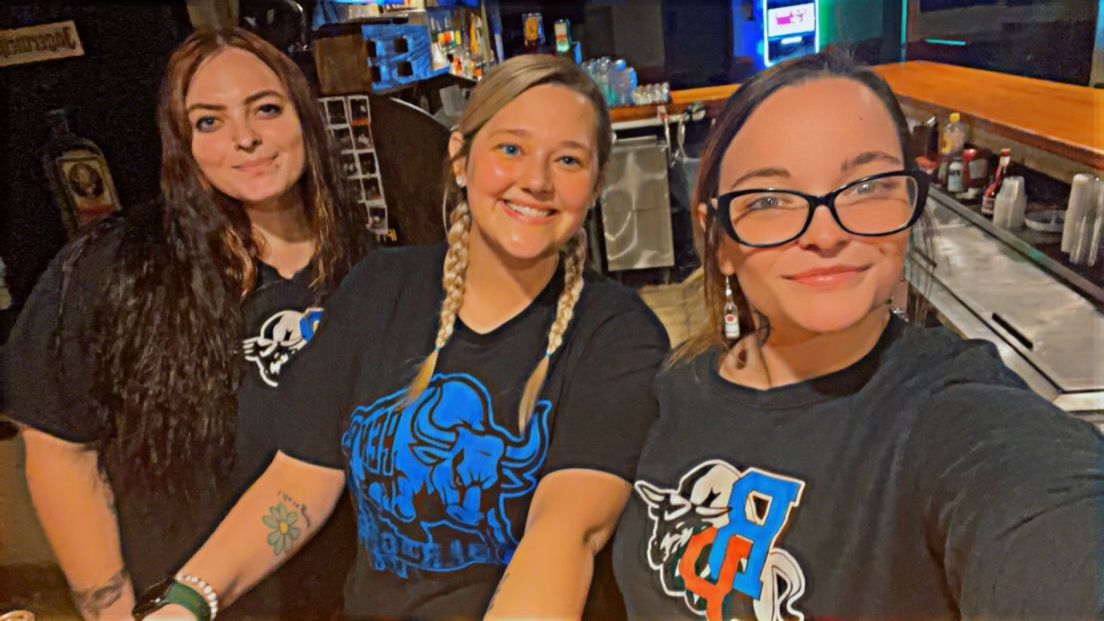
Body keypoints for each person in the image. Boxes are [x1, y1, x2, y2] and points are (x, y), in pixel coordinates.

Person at [133, 53, 670, 621]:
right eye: (511, 149)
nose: (536, 180)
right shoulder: (379, 287)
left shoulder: (617, 334)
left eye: (567, 159)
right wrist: (189, 599)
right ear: (461, 158)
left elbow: (565, 533)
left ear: (596, 184)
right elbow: (300, 480)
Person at [612, 51, 1104, 620]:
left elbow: (1049, 519)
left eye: (866, 186)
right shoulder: (670, 388)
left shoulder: (947, 414)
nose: (825, 234)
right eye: (769, 199)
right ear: (718, 240)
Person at [4, 28, 370, 620]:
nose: (244, 138)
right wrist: (112, 607)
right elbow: (60, 450)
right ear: (183, 144)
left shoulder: (367, 264)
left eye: (266, 109)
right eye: (209, 122)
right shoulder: (116, 266)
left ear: (304, 116)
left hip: (346, 598)